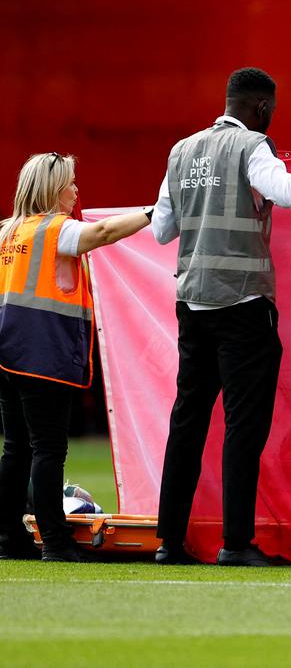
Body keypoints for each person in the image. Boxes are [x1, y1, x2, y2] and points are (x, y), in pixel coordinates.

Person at [150, 67, 291, 566]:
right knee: (243, 427)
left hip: (192, 304)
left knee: (187, 424)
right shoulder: (253, 146)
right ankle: (236, 544)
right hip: (242, 305)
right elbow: (286, 191)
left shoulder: (181, 150)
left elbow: (162, 232)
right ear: (262, 108)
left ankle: (169, 543)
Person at [0, 153, 153, 561]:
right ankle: (55, 540)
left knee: (17, 449)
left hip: (7, 355)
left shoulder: (6, 232)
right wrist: (154, 212)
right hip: (41, 352)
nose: (76, 190)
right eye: (70, 183)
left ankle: (8, 538)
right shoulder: (56, 230)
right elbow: (101, 232)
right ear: (52, 189)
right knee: (48, 449)